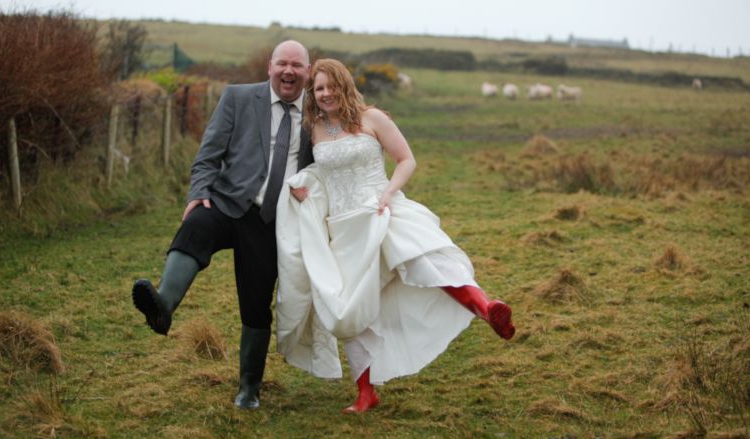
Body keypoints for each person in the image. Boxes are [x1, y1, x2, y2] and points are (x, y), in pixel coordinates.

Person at [275, 59, 515, 414]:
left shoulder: (373, 118)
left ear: (344, 84)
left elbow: (406, 160)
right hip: (343, 228)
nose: (324, 94)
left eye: (330, 86)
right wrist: (305, 189)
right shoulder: (314, 127)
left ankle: (486, 308)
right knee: (349, 308)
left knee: (424, 257)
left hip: (381, 210)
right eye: (318, 88)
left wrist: (389, 192)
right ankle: (365, 392)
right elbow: (317, 171)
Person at [131, 40, 313, 410]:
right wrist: (198, 192)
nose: (289, 71)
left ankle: (249, 387)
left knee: (256, 299)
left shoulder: (317, 111)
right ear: (269, 67)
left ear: (308, 72)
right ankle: (163, 306)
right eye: (282, 63)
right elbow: (207, 156)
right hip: (227, 203)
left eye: (297, 65)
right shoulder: (238, 98)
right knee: (196, 223)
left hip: (274, 221)